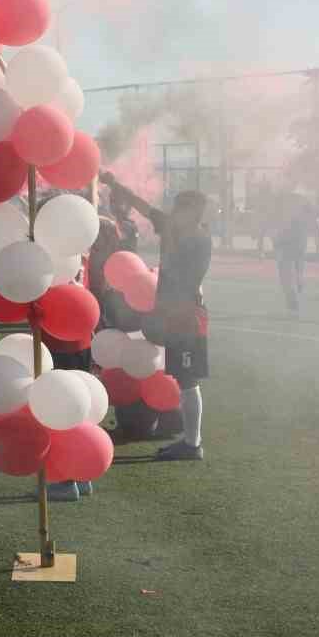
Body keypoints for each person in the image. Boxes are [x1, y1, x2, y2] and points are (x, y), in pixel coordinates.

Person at [101, 173, 212, 461]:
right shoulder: (175, 228)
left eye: (179, 208)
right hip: (174, 316)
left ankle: (192, 444)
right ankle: (189, 440)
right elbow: (142, 205)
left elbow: (185, 280)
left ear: (191, 212)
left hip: (185, 316)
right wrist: (114, 183)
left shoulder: (197, 239)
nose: (172, 213)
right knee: (182, 377)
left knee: (188, 380)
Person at [273, 192, 319, 316]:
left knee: (286, 277)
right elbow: (317, 231)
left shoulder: (295, 217)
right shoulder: (309, 218)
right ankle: (297, 288)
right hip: (298, 248)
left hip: (288, 247)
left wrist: (277, 240)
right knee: (296, 274)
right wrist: (318, 248)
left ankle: (293, 304)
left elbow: (284, 231)